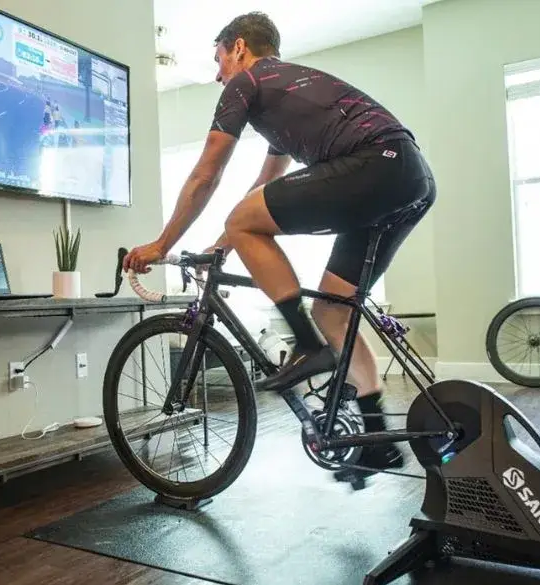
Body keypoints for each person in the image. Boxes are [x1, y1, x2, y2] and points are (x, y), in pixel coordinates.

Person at [122, 12, 435, 473]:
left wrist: (161, 242)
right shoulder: (290, 96)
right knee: (334, 309)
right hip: (409, 178)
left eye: (219, 59)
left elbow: (207, 173)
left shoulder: (247, 82)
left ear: (241, 48)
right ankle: (375, 438)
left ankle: (306, 344)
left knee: (245, 222)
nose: (217, 74)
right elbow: (263, 190)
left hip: (373, 165)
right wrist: (221, 246)